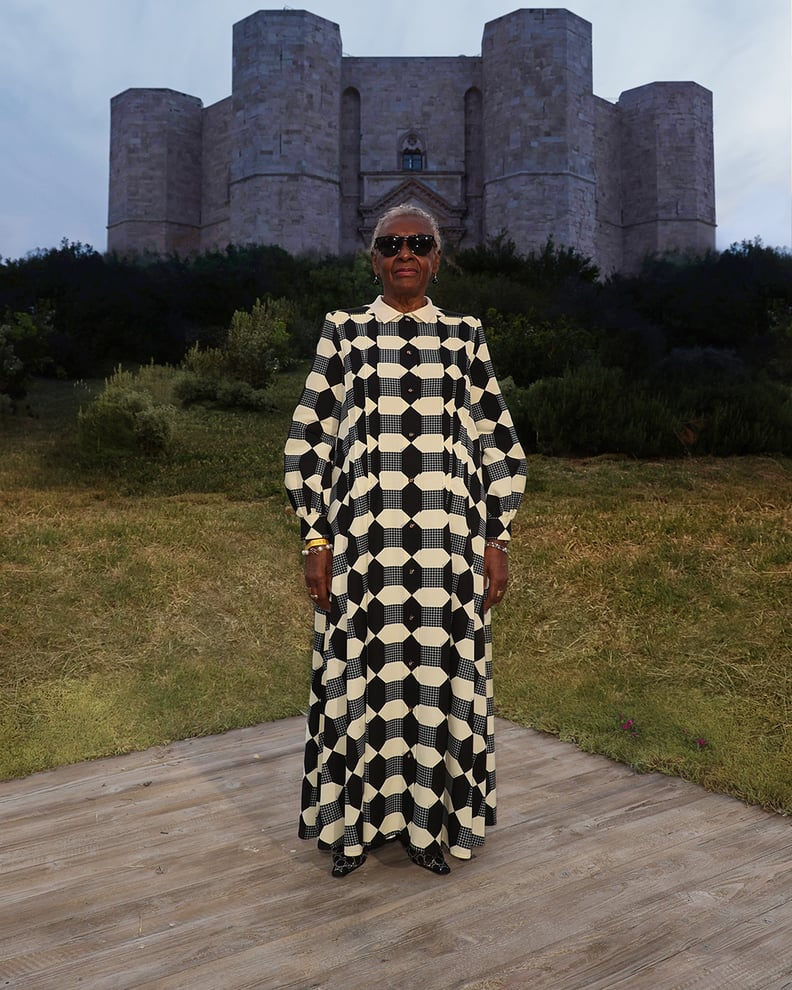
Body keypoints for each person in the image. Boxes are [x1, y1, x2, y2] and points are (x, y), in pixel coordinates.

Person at [284, 205, 526, 878]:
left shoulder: (464, 336)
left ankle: (427, 828)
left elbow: (499, 447)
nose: (405, 254)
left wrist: (496, 538)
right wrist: (315, 539)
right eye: (391, 245)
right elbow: (309, 443)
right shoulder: (345, 333)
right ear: (374, 259)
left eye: (420, 243)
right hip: (363, 555)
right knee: (360, 684)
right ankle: (353, 833)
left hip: (448, 559)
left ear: (438, 258)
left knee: (435, 686)